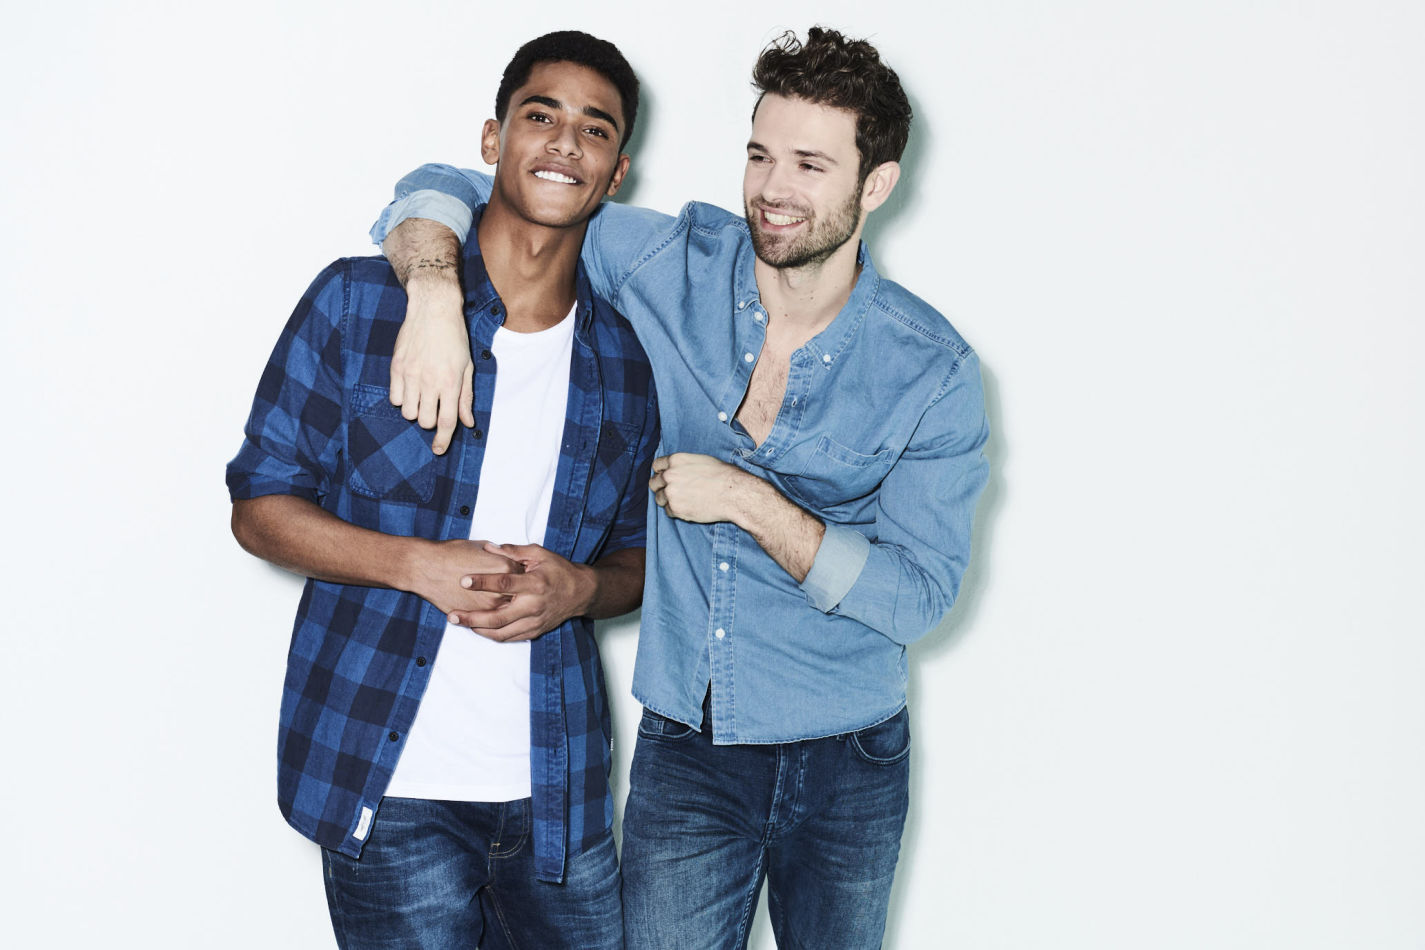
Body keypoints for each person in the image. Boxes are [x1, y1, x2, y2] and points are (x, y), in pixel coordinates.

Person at [371, 27, 989, 949]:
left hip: (850, 755)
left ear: (876, 185)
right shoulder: (669, 263)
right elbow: (466, 183)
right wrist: (430, 290)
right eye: (759, 154)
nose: (772, 188)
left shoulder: (931, 371)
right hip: (687, 751)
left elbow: (919, 597)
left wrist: (749, 501)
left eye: (810, 164)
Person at [226, 31, 658, 950]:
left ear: (615, 173)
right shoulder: (359, 305)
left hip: (557, 795)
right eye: (540, 115)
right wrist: (417, 565)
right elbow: (259, 507)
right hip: (388, 789)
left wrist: (581, 588)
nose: (565, 142)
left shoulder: (622, 360)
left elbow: (636, 558)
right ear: (492, 139)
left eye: (594, 129)